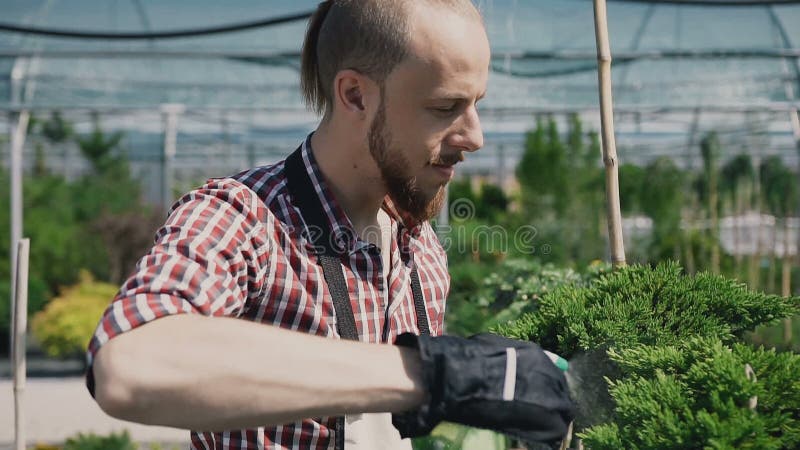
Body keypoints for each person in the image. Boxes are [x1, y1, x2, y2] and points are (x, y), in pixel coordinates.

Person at [86, 1, 575, 449]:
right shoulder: (242, 219)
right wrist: (436, 375)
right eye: (445, 108)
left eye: (477, 103)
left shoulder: (422, 252)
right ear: (355, 95)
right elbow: (130, 364)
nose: (475, 137)